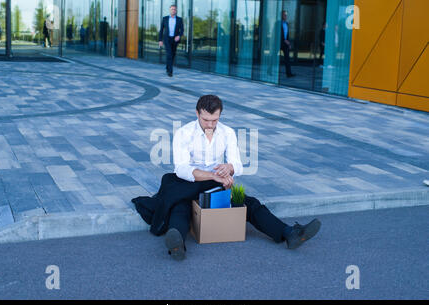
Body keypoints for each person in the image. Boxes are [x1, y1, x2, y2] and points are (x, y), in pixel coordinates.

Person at [132, 95, 321, 261]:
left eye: (215, 120)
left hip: (215, 182)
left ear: (220, 115)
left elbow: (237, 165)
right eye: (206, 120)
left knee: (250, 204)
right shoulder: (184, 133)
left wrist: (229, 168)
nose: (211, 125)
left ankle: (289, 234)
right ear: (197, 113)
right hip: (187, 182)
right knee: (180, 207)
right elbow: (182, 169)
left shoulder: (228, 133)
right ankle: (177, 246)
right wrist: (215, 176)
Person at [158, 5, 184, 77]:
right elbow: (161, 30)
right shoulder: (165, 18)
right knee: (169, 54)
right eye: (172, 9)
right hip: (167, 39)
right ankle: (170, 71)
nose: (173, 10)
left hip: (175, 39)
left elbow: (182, 30)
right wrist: (160, 40)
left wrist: (179, 36)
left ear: (176, 11)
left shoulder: (179, 19)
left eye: (174, 9)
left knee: (173, 55)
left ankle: (167, 67)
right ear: (170, 10)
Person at [280, 10, 295, 78]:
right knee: (274, 57)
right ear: (281, 15)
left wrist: (288, 43)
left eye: (286, 15)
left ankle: (288, 74)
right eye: (284, 15)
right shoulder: (278, 23)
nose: (285, 16)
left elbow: (287, 35)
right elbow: (278, 34)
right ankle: (269, 70)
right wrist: (284, 40)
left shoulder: (286, 24)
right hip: (279, 43)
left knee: (287, 59)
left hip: (285, 43)